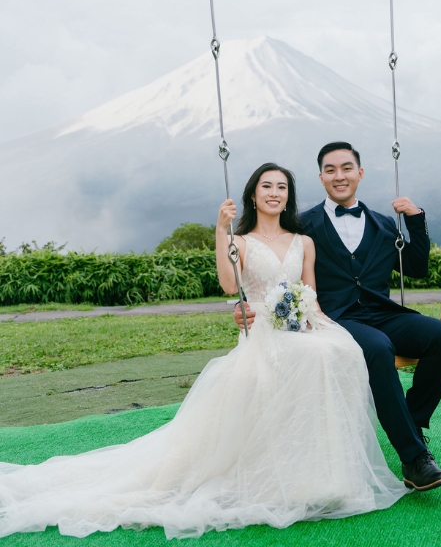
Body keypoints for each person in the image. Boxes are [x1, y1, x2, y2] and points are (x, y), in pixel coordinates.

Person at [0, 163, 408, 539]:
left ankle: (326, 476)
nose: (275, 193)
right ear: (252, 194)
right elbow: (232, 287)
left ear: (289, 197)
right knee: (314, 357)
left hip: (299, 324)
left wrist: (315, 320)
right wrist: (220, 230)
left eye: (282, 187)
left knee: (341, 351)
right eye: (267, 186)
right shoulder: (241, 241)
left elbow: (310, 293)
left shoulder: (304, 241)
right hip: (263, 328)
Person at [234, 141, 441, 492]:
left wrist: (416, 218)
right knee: (378, 348)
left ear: (359, 173)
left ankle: (412, 423)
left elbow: (416, 268)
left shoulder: (384, 225)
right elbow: (272, 267)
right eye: (331, 170)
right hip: (335, 317)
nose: (340, 176)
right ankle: (415, 459)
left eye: (346, 168)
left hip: (381, 312)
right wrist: (244, 306)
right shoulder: (303, 225)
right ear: (321, 177)